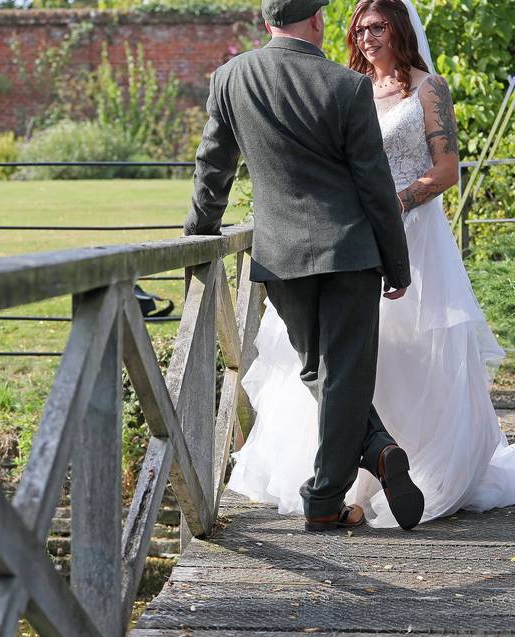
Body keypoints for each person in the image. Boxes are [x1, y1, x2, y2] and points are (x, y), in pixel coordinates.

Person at [227, 0, 515, 528]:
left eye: (378, 26)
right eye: (359, 28)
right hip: (347, 240)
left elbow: (448, 169)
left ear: (401, 29)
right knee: (342, 364)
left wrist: (397, 203)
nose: (366, 37)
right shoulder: (343, 85)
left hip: (408, 233)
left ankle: (404, 462)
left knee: (393, 359)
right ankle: (375, 459)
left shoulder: (426, 89)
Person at [184, 0, 426, 531]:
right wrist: (397, 263)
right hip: (350, 253)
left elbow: (213, 166)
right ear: (316, 22)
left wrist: (199, 235)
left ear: (268, 23)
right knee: (343, 374)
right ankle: (327, 496)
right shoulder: (347, 86)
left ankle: (374, 455)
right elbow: (374, 184)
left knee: (319, 370)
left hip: (281, 255)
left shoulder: (230, 78)